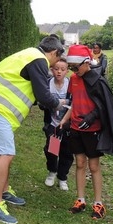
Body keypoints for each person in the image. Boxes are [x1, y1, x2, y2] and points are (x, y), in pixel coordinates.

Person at [0, 36, 66, 224]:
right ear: (54, 53)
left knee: (6, 153)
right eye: (57, 59)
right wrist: (58, 103)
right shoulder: (39, 59)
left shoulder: (29, 55)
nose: (55, 65)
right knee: (5, 153)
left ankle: (3, 191)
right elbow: (42, 94)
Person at [60, 44, 113, 220]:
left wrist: (91, 117)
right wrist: (65, 120)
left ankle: (98, 203)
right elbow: (74, 103)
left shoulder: (98, 80)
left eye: (76, 67)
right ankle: (80, 199)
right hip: (76, 128)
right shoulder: (74, 80)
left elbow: (105, 106)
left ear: (86, 62)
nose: (74, 71)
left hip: (92, 130)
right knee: (79, 163)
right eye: (71, 68)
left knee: (94, 166)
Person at [42, 57, 74, 191]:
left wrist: (64, 104)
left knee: (66, 152)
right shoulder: (48, 84)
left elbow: (75, 103)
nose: (59, 72)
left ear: (67, 71)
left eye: (62, 69)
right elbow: (41, 102)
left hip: (67, 125)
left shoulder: (71, 85)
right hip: (53, 124)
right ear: (52, 70)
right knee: (52, 150)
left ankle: (62, 178)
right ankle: (52, 172)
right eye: (56, 69)